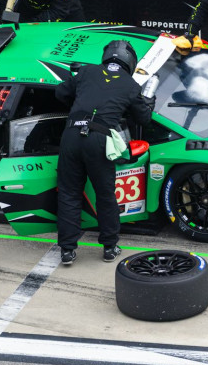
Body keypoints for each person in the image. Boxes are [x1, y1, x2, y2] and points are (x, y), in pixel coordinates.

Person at [54, 40, 154, 266]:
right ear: (130, 61)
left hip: (71, 135)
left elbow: (60, 93)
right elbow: (144, 119)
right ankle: (110, 247)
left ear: (106, 56)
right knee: (105, 194)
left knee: (69, 194)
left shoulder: (86, 71)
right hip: (100, 139)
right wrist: (149, 101)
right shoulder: (131, 85)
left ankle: (67, 251)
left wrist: (79, 93)